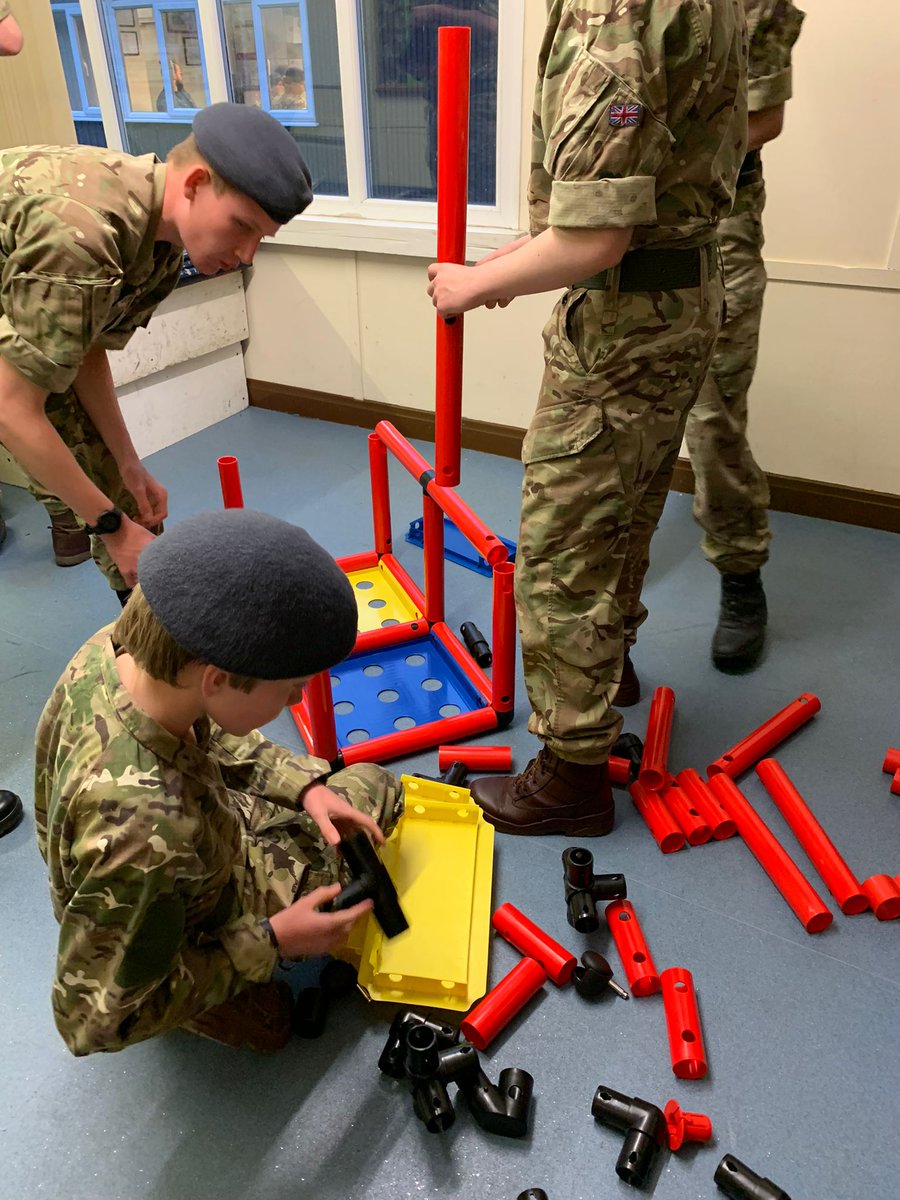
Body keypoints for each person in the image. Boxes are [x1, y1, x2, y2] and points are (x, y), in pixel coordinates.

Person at [426, 0, 747, 836]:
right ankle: (607, 673)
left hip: (625, 317)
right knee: (626, 512)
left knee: (562, 554)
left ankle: (572, 771)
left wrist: (475, 282)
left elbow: (594, 238)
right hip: (684, 296)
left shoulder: (611, 9)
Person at [35, 508, 403, 1055]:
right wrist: (273, 943)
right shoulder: (147, 837)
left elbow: (209, 729)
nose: (297, 701)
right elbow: (89, 1024)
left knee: (351, 797)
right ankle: (192, 981)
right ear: (217, 678)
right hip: (147, 887)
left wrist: (304, 785)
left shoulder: (121, 648)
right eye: (290, 687)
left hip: (157, 853)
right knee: (376, 791)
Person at [0, 103, 313, 605]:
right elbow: (11, 409)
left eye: (262, 237)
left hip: (21, 287)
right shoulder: (84, 236)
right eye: (241, 225)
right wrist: (109, 526)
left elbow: (84, 349)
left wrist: (128, 463)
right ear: (194, 183)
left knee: (124, 505)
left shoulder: (160, 243)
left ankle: (154, 634)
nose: (248, 253)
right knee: (112, 518)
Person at [684, 0, 805, 672]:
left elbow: (764, 118)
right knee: (612, 414)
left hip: (716, 228)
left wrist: (663, 143)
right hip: (621, 227)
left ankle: (739, 570)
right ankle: (610, 598)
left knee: (712, 418)